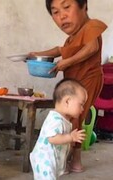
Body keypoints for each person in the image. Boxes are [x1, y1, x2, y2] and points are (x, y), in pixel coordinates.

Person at [29, 0, 107, 172]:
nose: (61, 15)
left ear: (84, 6)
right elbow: (59, 50)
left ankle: (76, 160)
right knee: (69, 118)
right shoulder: (72, 38)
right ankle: (67, 157)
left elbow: (92, 47)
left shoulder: (92, 26)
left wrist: (67, 62)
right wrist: (36, 55)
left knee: (76, 116)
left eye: (66, 7)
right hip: (74, 81)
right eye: (55, 12)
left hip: (89, 78)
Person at [30, 79, 86, 180]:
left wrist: (69, 141)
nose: (82, 109)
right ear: (67, 101)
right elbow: (52, 138)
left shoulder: (63, 119)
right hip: (44, 160)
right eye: (81, 104)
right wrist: (70, 137)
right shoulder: (55, 119)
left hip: (51, 161)